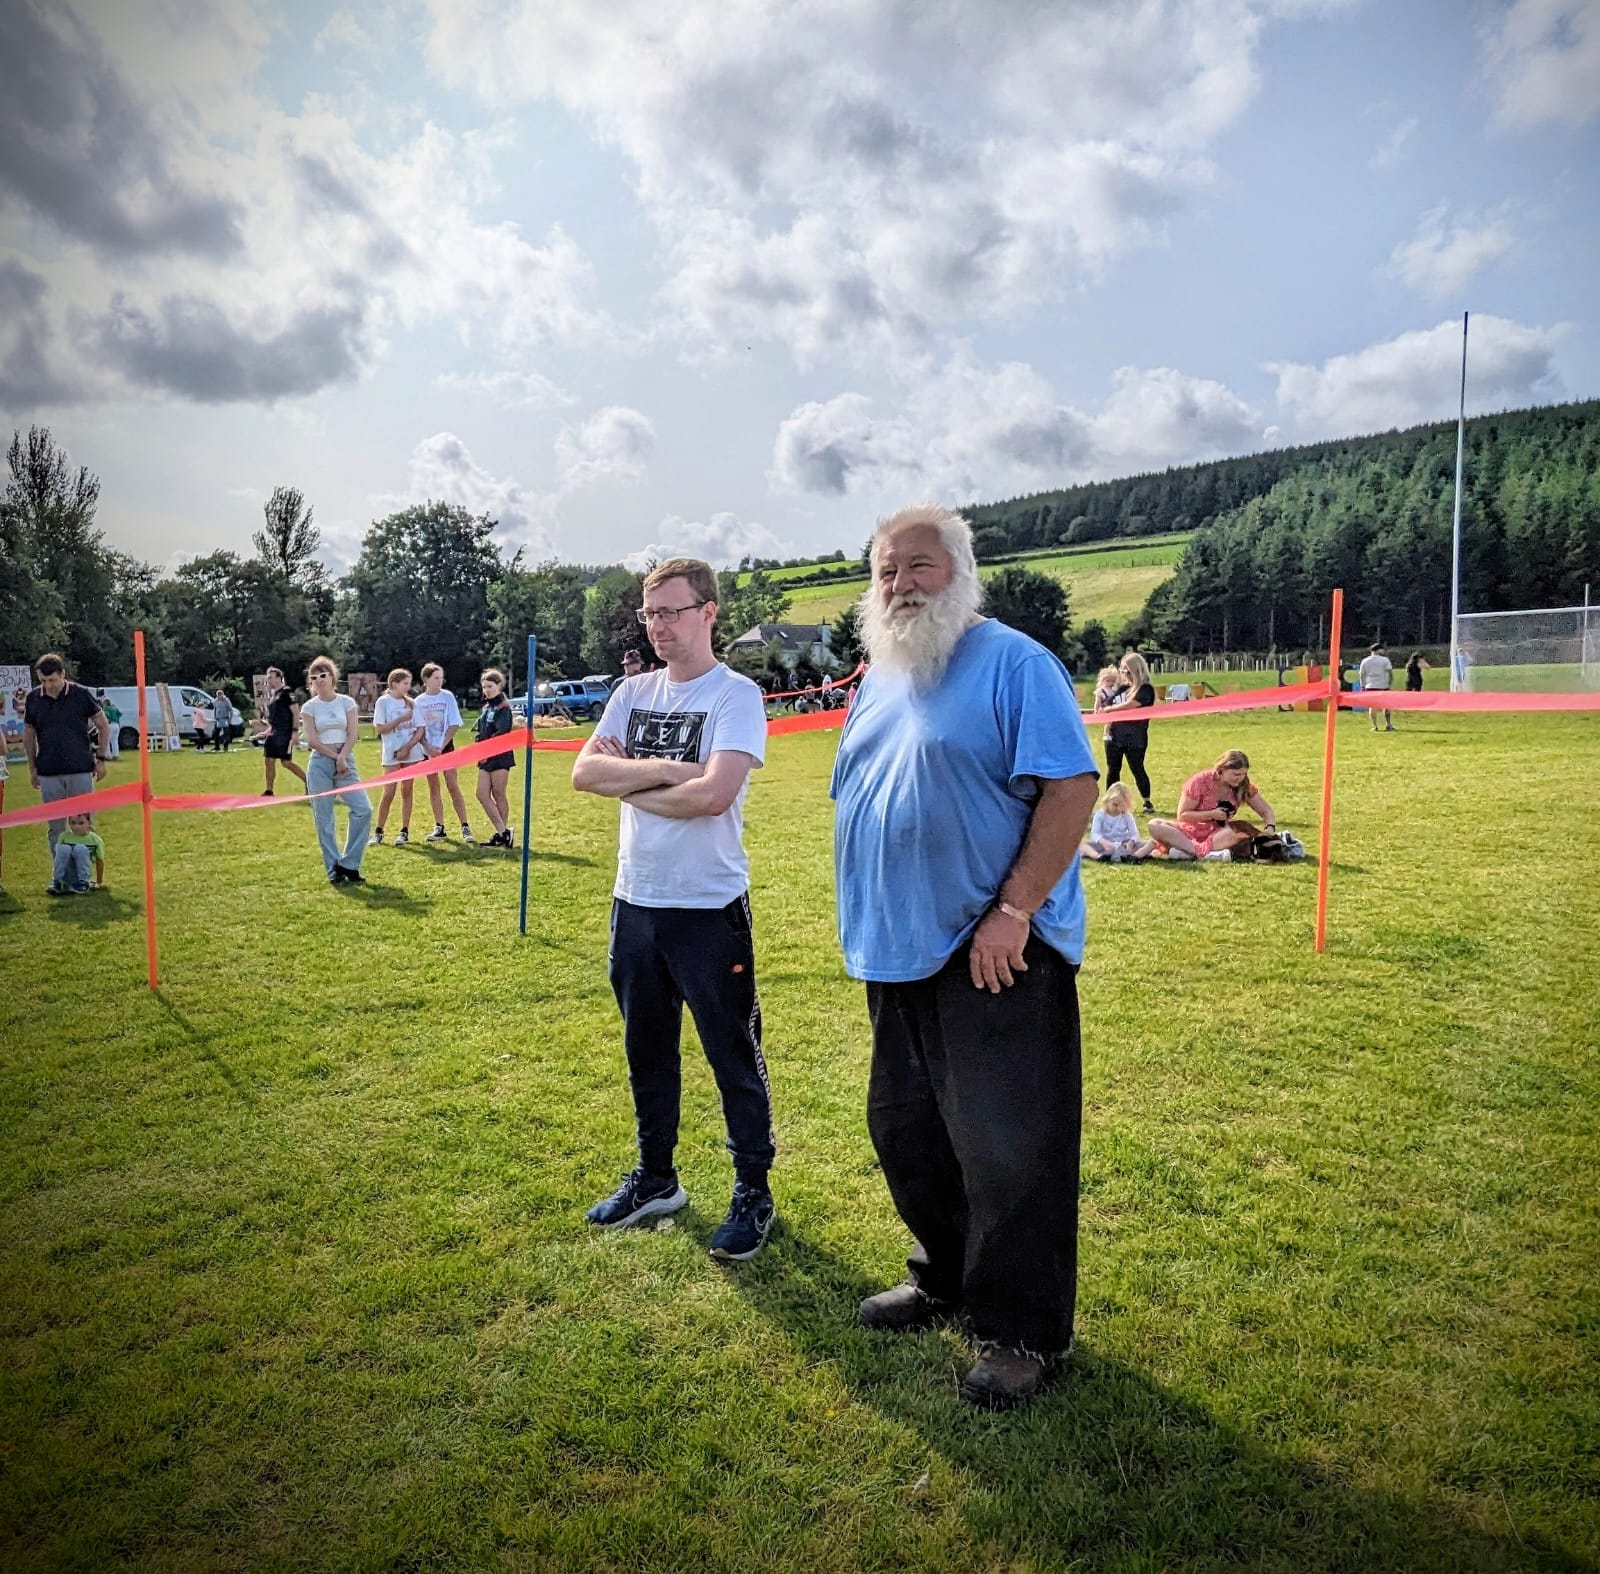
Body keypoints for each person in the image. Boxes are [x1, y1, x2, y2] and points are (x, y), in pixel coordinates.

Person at [831, 503, 1099, 1409]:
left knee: (1009, 1146)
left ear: (960, 571)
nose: (899, 584)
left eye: (919, 565)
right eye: (885, 571)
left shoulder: (1015, 663)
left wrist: (1014, 909)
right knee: (908, 1131)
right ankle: (945, 1276)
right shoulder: (880, 679)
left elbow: (1072, 788)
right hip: (897, 947)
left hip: (991, 947)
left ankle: (1022, 1331)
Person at [571, 556, 776, 1263]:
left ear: (708, 612)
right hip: (636, 902)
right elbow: (584, 772)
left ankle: (753, 1190)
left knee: (732, 1054)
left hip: (708, 907)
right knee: (646, 1050)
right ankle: (656, 1178)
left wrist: (627, 780)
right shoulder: (632, 691)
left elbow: (713, 795)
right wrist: (665, 772)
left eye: (671, 611)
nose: (657, 626)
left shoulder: (736, 696)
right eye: (649, 613)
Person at [23, 653, 109, 855]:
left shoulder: (81, 694)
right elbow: (29, 734)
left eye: (52, 680)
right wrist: (32, 767)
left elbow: (103, 725)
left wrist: (101, 759)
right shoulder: (33, 698)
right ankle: (60, 869)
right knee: (56, 827)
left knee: (84, 824)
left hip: (80, 769)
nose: (48, 685)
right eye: (43, 681)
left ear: (63, 674)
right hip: (48, 771)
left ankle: (84, 868)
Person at [299, 657, 372, 885]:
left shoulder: (346, 702)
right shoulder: (309, 707)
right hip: (320, 762)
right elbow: (312, 740)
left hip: (345, 760)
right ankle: (333, 870)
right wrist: (334, 757)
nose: (319, 680)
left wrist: (343, 757)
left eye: (323, 675)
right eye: (314, 677)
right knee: (324, 819)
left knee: (363, 809)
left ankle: (349, 863)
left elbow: (353, 733)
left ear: (332, 677)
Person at [1148, 748, 1278, 861]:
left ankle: (1188, 853)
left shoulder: (1243, 786)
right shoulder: (1200, 782)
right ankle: (1201, 853)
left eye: (1244, 774)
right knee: (1155, 824)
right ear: (1221, 770)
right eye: (1236, 774)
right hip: (1190, 832)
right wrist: (1212, 814)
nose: (1240, 778)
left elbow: (1266, 811)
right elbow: (1182, 816)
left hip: (1218, 834)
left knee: (1239, 830)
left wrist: (1270, 828)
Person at [413, 663, 474, 843]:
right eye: (435, 678)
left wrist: (441, 746)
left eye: (441, 678)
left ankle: (465, 825)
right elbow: (418, 728)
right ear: (426, 680)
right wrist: (428, 747)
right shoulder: (419, 701)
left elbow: (454, 723)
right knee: (434, 787)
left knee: (452, 785)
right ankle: (439, 826)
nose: (439, 681)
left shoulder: (447, 696)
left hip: (445, 747)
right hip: (427, 750)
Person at [372, 668, 425, 844]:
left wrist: (407, 747)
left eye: (409, 683)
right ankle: (379, 831)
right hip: (391, 753)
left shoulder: (412, 703)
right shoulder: (383, 702)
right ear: (394, 684)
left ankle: (404, 830)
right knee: (388, 792)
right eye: (405, 683)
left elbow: (420, 729)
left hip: (410, 753)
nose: (408, 687)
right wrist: (401, 719)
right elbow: (381, 729)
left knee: (407, 790)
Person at [1104, 651, 1157, 814]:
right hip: (1114, 734)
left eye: (1127, 670)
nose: (1124, 674)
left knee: (1137, 768)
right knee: (1113, 769)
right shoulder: (1123, 688)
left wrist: (1111, 709)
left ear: (1136, 670)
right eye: (1122, 670)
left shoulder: (1146, 689)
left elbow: (1132, 705)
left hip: (1135, 736)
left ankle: (1147, 801)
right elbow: (1108, 702)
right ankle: (1111, 802)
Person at [474, 668, 516, 847]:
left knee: (498, 793)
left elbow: (502, 732)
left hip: (499, 755)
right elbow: (483, 730)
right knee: (481, 794)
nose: (486, 690)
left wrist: (487, 751)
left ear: (499, 685)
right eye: (484, 687)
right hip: (485, 756)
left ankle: (502, 834)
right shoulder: (487, 707)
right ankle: (503, 832)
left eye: (490, 686)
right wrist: (479, 745)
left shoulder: (503, 707)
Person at [257, 668, 307, 795]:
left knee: (286, 762)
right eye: (268, 678)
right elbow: (275, 719)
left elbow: (295, 712)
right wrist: (266, 732)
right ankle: (269, 790)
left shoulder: (287, 692)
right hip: (273, 734)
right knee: (269, 760)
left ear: (279, 678)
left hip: (285, 734)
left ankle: (308, 782)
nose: (268, 680)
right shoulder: (273, 696)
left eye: (271, 677)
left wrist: (295, 732)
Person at [1082, 782, 1154, 861]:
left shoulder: (1127, 815)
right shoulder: (1100, 815)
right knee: (1080, 844)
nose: (1118, 808)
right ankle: (1099, 856)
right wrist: (1104, 842)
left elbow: (1134, 833)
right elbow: (1095, 833)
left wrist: (1131, 842)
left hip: (1124, 845)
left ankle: (1134, 857)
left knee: (1151, 843)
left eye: (1122, 806)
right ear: (1107, 801)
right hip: (1104, 846)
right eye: (1115, 805)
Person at [47, 811, 104, 896]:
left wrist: (99, 882)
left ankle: (83, 883)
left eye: (81, 823)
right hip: (66, 872)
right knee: (63, 848)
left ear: (89, 823)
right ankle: (58, 881)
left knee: (80, 848)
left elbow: (100, 861)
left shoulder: (95, 840)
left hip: (81, 872)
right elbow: (59, 858)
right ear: (69, 823)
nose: (77, 826)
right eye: (73, 823)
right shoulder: (64, 836)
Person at [1358, 642, 1395, 731]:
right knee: (1386, 706)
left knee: (1372, 707)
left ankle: (1375, 726)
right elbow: (1390, 673)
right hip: (1383, 685)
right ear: (1379, 650)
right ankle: (1388, 724)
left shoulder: (1365, 661)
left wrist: (1362, 686)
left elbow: (1362, 675)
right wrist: (1390, 684)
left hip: (1370, 686)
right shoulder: (1385, 660)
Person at [97, 689, 122, 760]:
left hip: (110, 725)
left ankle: (108, 755)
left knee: (107, 740)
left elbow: (106, 717)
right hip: (116, 725)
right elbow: (120, 714)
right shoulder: (114, 708)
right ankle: (116, 755)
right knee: (114, 741)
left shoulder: (106, 709)